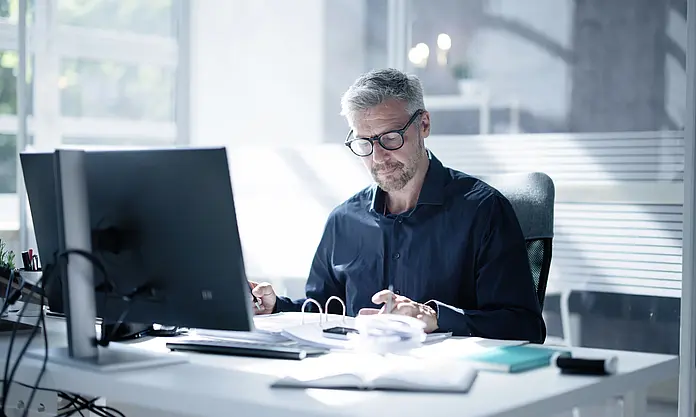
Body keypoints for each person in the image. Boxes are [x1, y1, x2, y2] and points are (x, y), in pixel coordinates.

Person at [250, 68, 545, 342]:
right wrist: (275, 306)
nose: (378, 157)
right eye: (365, 143)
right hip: (359, 380)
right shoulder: (344, 220)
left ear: (424, 124)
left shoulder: (484, 211)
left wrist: (435, 318)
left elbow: (524, 327)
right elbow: (325, 313)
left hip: (450, 385)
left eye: (390, 138)